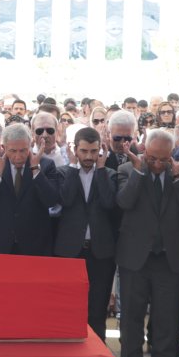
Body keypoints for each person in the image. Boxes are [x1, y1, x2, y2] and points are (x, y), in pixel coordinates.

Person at [116, 129, 179, 357]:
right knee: (131, 318)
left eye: (164, 159)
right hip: (135, 259)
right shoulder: (130, 171)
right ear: (144, 151)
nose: (158, 164)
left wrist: (177, 177)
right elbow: (124, 202)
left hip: (168, 260)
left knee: (167, 319)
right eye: (153, 158)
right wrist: (140, 172)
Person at [54, 127, 118, 341]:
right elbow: (66, 200)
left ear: (101, 150)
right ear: (75, 149)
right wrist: (73, 167)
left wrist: (101, 170)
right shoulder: (64, 173)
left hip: (100, 253)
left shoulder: (108, 174)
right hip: (70, 251)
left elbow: (110, 203)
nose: (89, 156)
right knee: (69, 307)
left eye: (94, 151)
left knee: (97, 309)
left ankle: (98, 352)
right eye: (84, 151)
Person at [0, 123, 61, 255]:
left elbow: (51, 201)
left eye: (23, 150)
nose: (18, 156)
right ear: (4, 147)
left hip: (34, 246)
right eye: (13, 151)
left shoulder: (45, 165)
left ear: (31, 145)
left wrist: (35, 171)